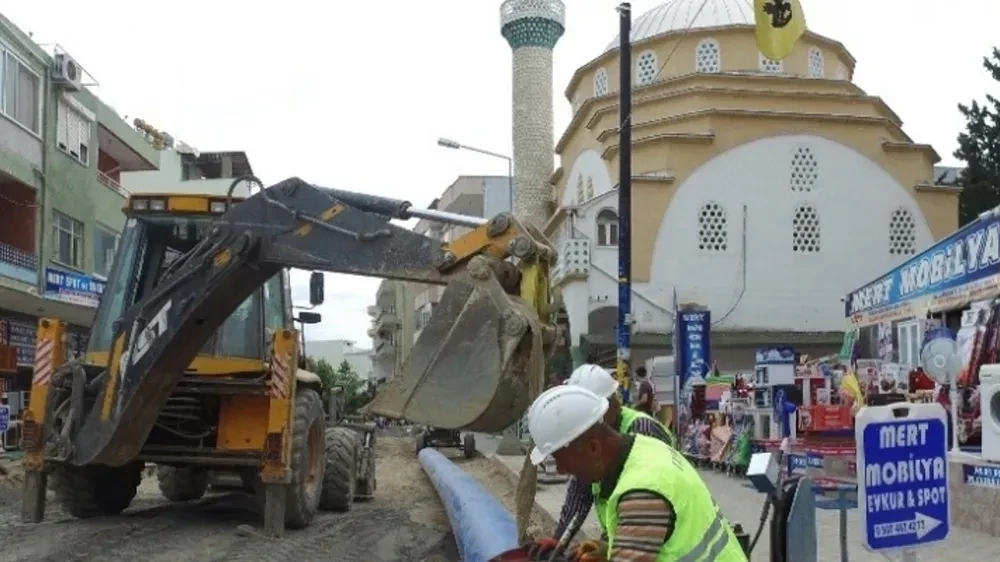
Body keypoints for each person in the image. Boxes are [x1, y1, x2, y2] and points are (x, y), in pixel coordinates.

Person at [526, 385, 749, 562]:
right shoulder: (645, 447)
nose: (563, 470)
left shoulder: (642, 490)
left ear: (594, 448)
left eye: (561, 461)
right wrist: (610, 548)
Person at [530, 364, 676, 556]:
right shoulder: (598, 446)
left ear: (613, 405)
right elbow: (580, 496)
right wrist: (559, 540)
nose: (560, 470)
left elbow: (644, 518)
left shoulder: (641, 435)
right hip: (633, 536)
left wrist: (607, 547)